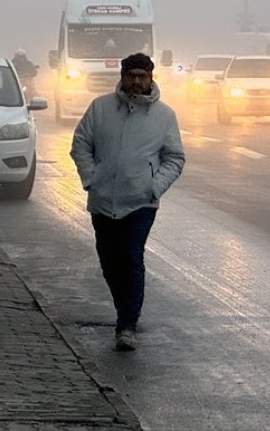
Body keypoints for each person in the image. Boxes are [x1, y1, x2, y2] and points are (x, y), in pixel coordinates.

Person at [70, 53, 185, 352]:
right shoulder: (100, 108)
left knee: (131, 257)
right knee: (109, 261)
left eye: (142, 76)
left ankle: (127, 324)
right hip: (103, 200)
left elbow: (174, 158)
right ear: (122, 76)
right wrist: (91, 178)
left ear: (151, 78)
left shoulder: (164, 116)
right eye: (131, 75)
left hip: (140, 203)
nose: (136, 81)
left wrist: (153, 186)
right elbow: (81, 143)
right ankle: (123, 307)